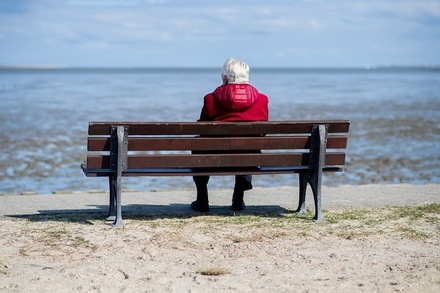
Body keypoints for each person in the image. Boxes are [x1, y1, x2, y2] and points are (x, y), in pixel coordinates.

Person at [191, 57, 269, 212]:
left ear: (226, 78)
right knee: (248, 146)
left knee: (197, 144)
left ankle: (202, 200)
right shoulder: (262, 99)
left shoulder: (210, 98)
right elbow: (262, 132)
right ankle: (238, 200)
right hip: (247, 159)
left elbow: (202, 129)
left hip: (213, 157)